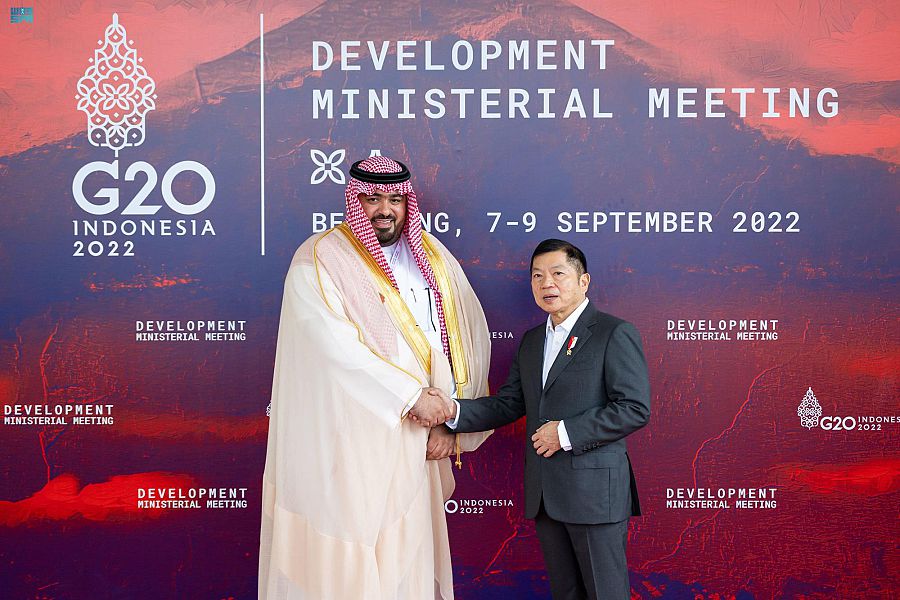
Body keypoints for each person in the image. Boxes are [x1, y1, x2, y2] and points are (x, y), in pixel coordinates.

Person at [258, 156, 492, 600]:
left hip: (421, 436)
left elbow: (466, 336)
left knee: (407, 559)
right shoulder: (320, 258)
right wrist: (408, 396)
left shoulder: (434, 258)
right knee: (349, 557)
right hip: (352, 438)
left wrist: (452, 422)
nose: (385, 209)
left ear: (408, 202)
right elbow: (332, 346)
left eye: (394, 199)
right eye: (372, 198)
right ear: (354, 200)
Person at [433, 238, 650, 600]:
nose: (547, 283)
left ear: (583, 281)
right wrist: (452, 411)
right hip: (546, 495)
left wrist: (564, 433)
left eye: (557, 274)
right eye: (537, 276)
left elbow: (633, 408)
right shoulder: (533, 341)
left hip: (595, 496)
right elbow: (509, 404)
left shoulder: (613, 333)